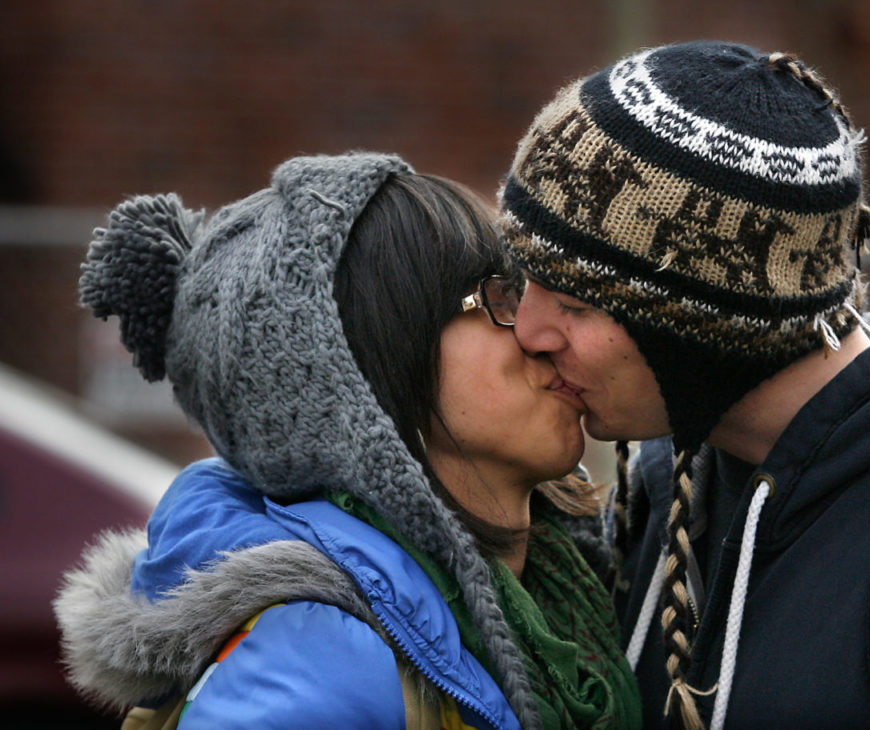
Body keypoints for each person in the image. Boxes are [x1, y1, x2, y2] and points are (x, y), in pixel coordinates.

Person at [497, 40, 870, 729]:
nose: (528, 331)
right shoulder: (662, 495)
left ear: (706, 322)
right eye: (521, 280)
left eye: (576, 302)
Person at [54, 153, 642, 730]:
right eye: (496, 296)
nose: (539, 332)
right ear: (367, 380)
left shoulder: (582, 584)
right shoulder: (326, 660)